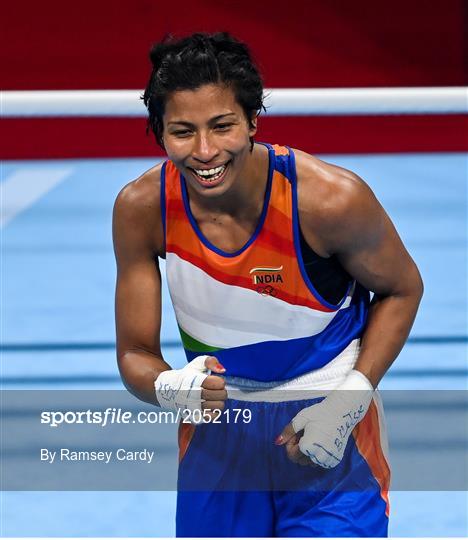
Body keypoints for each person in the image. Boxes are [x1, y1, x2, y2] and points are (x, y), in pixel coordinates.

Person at [113, 32, 423, 537]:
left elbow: (403, 288)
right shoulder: (141, 210)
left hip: (326, 420)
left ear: (253, 121)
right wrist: (168, 386)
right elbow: (135, 353)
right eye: (183, 132)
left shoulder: (328, 201)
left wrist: (349, 401)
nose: (205, 151)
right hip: (217, 432)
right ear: (160, 134)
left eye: (222, 126)